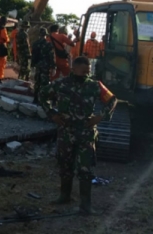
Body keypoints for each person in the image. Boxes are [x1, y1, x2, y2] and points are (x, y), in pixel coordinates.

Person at [39, 56, 117, 214]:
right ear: (73, 69)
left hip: (86, 134)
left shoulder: (94, 85)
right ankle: (64, 195)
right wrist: (52, 113)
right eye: (82, 72)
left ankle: (85, 205)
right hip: (66, 133)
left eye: (88, 72)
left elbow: (112, 100)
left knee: (85, 169)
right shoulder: (60, 84)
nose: (85, 75)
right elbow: (42, 95)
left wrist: (100, 116)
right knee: (65, 165)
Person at [30, 28, 56, 104]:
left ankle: (35, 99)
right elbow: (51, 56)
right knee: (44, 83)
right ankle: (43, 100)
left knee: (37, 82)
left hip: (38, 65)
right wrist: (53, 67)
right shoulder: (48, 44)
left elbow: (33, 56)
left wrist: (32, 65)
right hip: (45, 65)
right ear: (45, 35)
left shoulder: (35, 44)